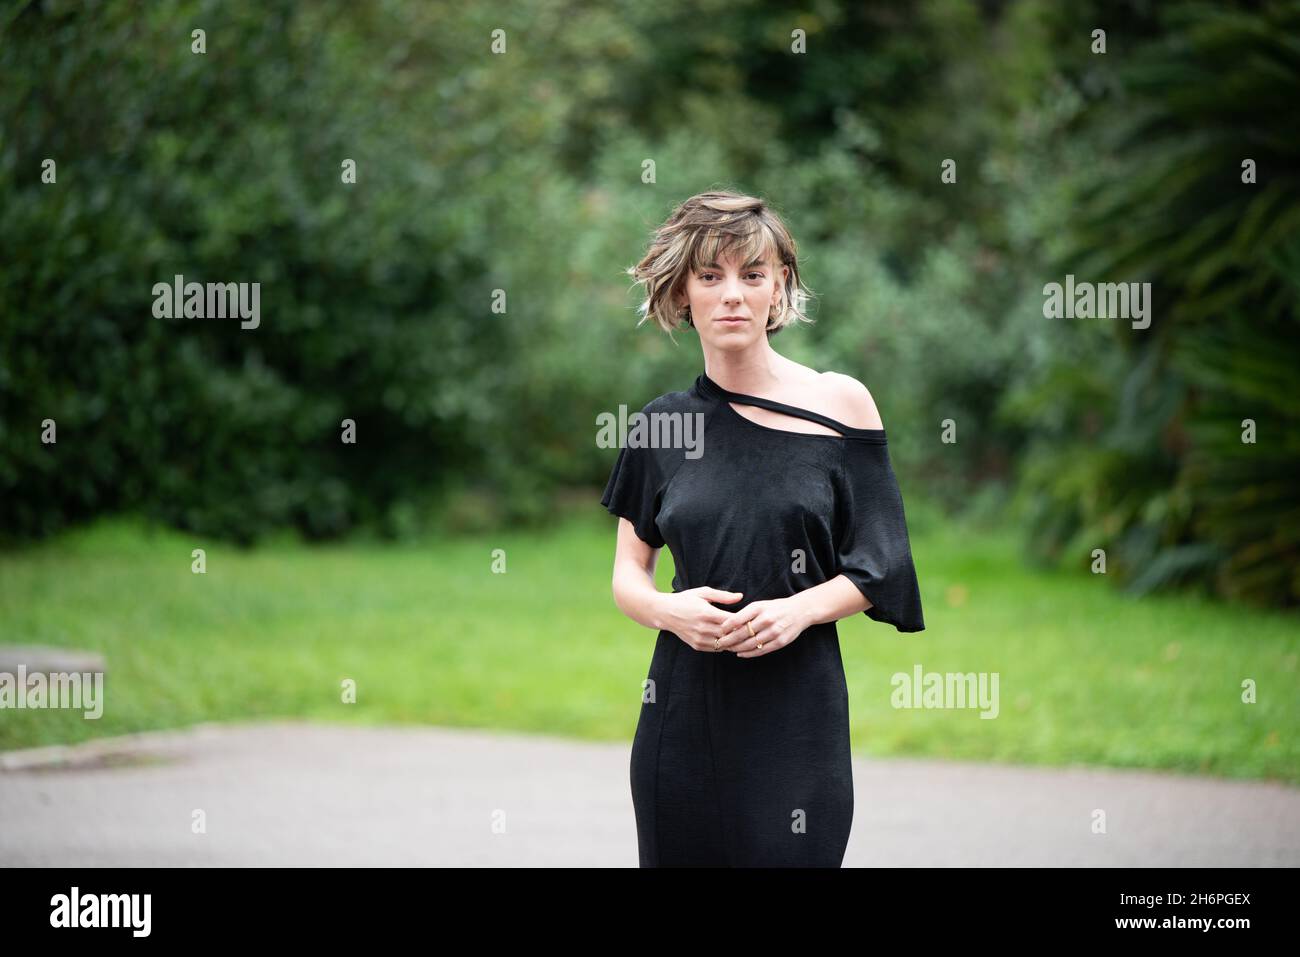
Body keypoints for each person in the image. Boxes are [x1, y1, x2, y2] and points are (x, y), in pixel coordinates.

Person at [601, 190, 926, 867]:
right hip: (681, 720)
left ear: (778, 288)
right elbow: (628, 575)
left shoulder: (840, 404)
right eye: (711, 276)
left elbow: (882, 564)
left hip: (796, 722)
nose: (732, 296)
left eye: (753, 275)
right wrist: (670, 611)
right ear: (682, 292)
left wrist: (799, 611)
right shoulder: (664, 424)